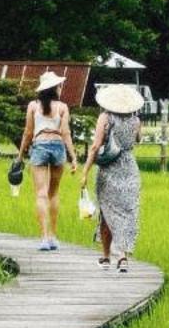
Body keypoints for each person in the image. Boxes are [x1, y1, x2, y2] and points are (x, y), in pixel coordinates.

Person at [82, 84, 144, 273]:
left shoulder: (105, 117)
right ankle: (121, 257)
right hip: (130, 169)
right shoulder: (136, 120)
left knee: (107, 212)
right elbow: (138, 140)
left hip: (109, 169)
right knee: (126, 213)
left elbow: (95, 146)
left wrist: (85, 171)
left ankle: (108, 257)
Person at [18, 71, 76, 252]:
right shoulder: (63, 107)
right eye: (59, 86)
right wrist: (73, 156)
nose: (61, 88)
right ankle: (53, 236)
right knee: (54, 193)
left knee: (41, 194)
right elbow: (66, 132)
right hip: (58, 147)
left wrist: (20, 155)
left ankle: (43, 237)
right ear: (54, 88)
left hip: (40, 146)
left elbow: (28, 132)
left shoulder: (33, 106)